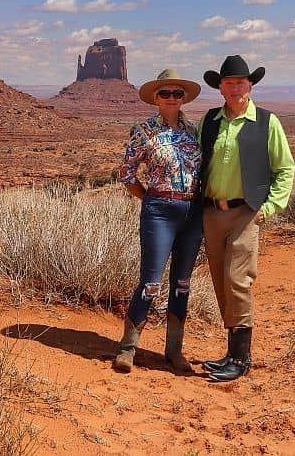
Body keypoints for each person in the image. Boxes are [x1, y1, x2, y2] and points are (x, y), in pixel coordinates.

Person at [198, 55, 295, 382]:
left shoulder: (267, 122)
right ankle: (230, 353)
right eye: (229, 83)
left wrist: (268, 208)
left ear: (250, 85)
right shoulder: (209, 121)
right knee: (220, 280)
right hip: (212, 212)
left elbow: (285, 168)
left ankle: (241, 359)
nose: (235, 87)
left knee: (237, 279)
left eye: (240, 82)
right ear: (220, 88)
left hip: (246, 212)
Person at [114, 68, 204, 374]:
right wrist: (150, 200)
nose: (171, 98)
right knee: (151, 282)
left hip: (192, 213)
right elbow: (127, 173)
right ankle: (128, 348)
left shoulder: (194, 132)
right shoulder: (143, 131)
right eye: (165, 93)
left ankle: (174, 351)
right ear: (155, 97)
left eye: (177, 93)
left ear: (184, 98)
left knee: (182, 284)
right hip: (160, 211)